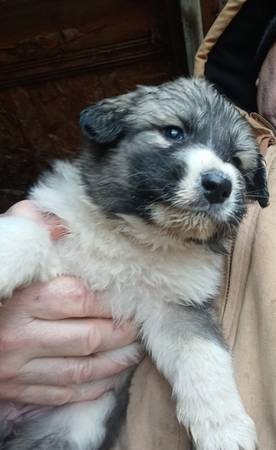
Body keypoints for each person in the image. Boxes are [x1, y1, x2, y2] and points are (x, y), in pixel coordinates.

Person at [1, 1, 276, 449]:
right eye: (173, 132)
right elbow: (28, 238)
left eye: (235, 164)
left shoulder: (188, 267)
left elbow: (181, 328)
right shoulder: (60, 211)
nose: (219, 174)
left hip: (69, 427)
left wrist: (220, 424)